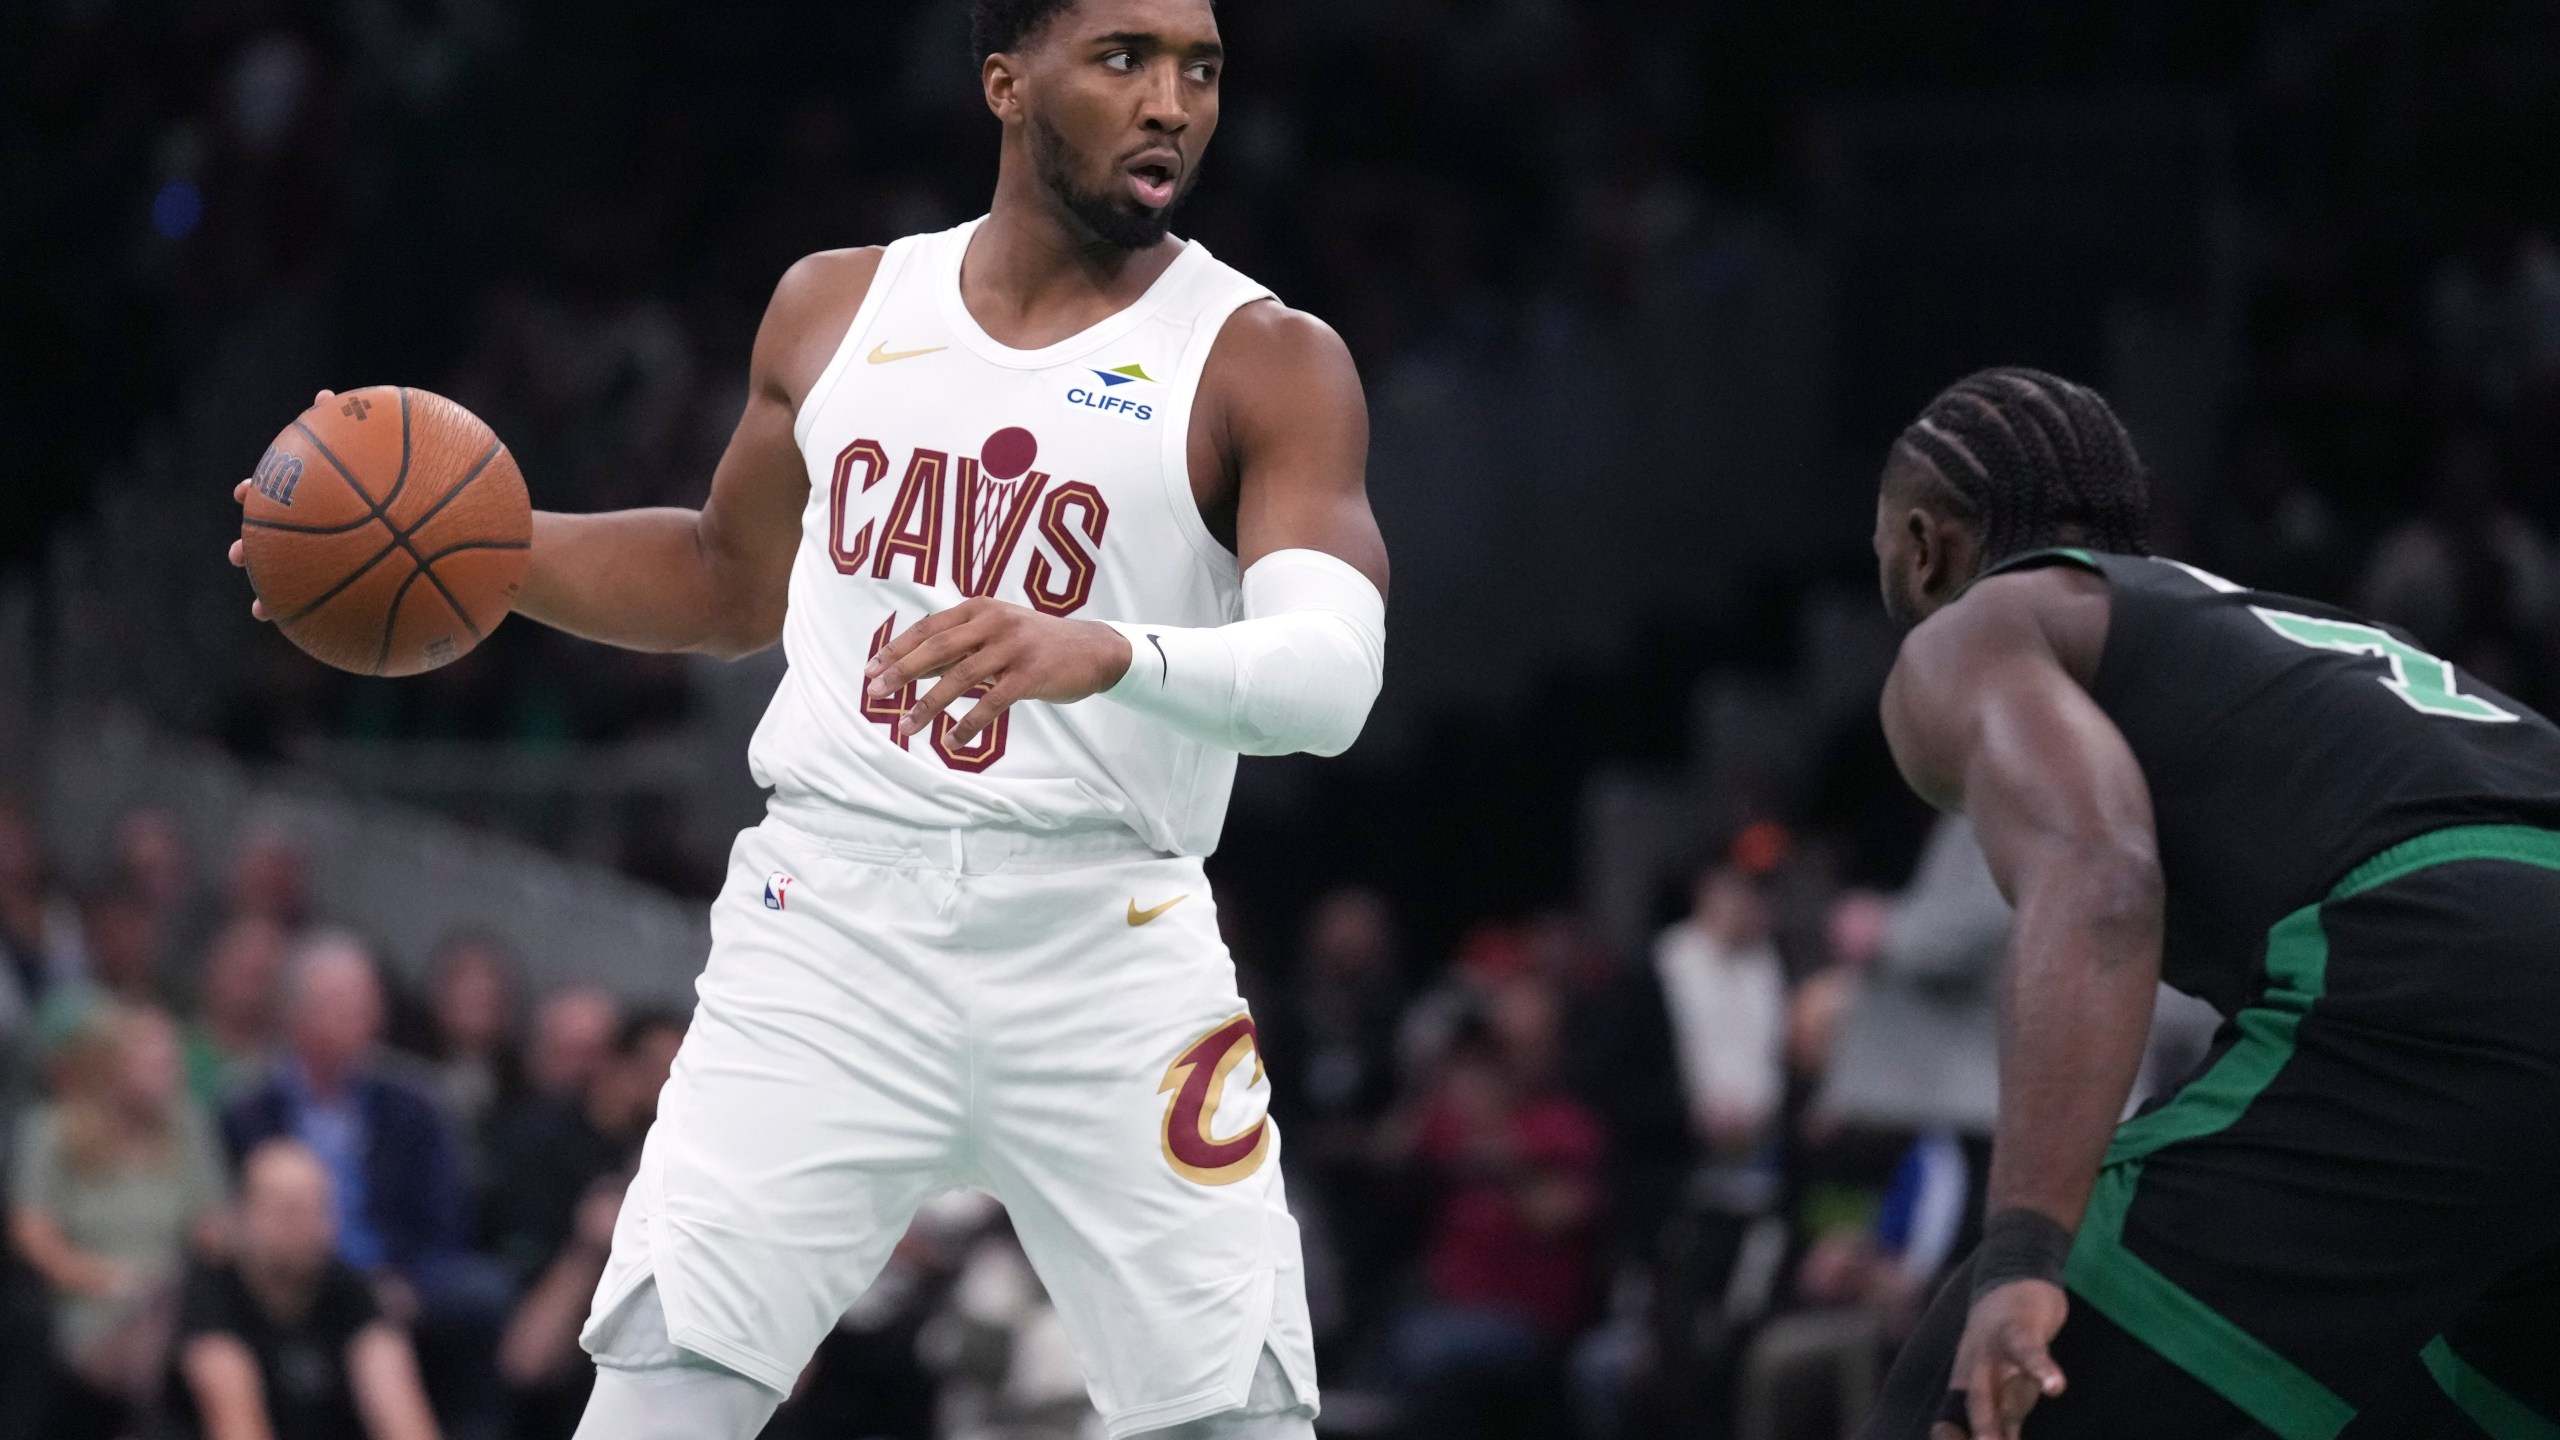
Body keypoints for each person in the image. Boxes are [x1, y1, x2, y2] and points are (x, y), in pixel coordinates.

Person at [228, 1, 1387, 1435]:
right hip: (832, 920)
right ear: (1005, 82)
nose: (1173, 103)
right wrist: (465, 545)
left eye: (1200, 69)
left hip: (1111, 942)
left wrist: (1112, 653)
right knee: (660, 1403)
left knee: (1238, 1423)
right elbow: (726, 580)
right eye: (1125, 59)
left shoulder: (1266, 357)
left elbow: (1333, 679)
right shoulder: (840, 306)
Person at [1858, 367, 2560, 1439]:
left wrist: (2023, 1253)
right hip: (2488, 973)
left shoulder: (1983, 629)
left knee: (1975, 1403)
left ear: (1922, 547)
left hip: (2440, 961)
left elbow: (2099, 877)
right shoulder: (2280, 638)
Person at [222, 933, 509, 1435]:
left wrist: (410, 1282)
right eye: (339, 1002)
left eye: (366, 1000)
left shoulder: (416, 1107)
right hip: (287, 1275)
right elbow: (231, 1211)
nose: (361, 1015)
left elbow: (444, 1221)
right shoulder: (247, 1107)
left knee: (482, 1292)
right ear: (294, 1013)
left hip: (394, 1272)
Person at [9, 1004, 229, 1439]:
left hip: (177, 1297)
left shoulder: (188, 1125)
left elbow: (214, 1230)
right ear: (113, 1065)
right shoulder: (52, 1131)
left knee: (201, 1323)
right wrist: (120, 1280)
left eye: (174, 1061)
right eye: (158, 1062)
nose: (173, 1073)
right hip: (88, 1306)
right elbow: (34, 1239)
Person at [170, 1138, 441, 1440]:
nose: (306, 1226)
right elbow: (236, 1424)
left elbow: (402, 1416)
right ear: (244, 1215)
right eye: (288, 1211)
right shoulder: (211, 1292)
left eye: (318, 1208)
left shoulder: (349, 1287)